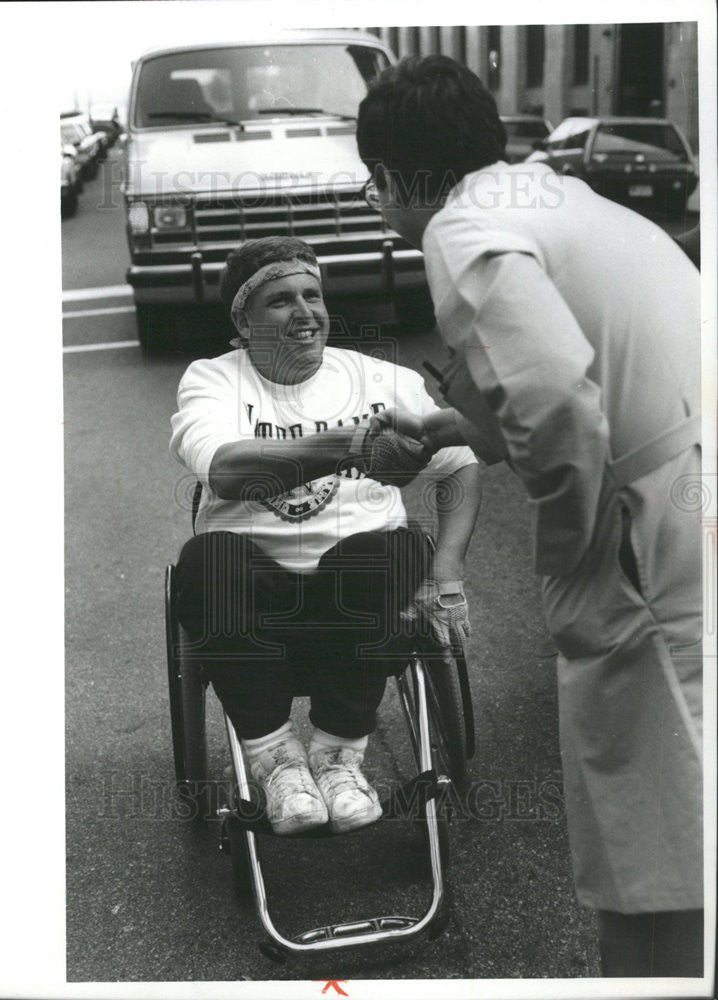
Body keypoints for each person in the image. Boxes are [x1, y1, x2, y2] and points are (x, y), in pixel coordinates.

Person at [356, 56, 703, 976]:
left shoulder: (460, 225)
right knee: (679, 822)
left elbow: (555, 401)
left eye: (373, 182)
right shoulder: (555, 197)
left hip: (659, 527)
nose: (374, 197)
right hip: (689, 485)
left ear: (394, 177)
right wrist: (448, 425)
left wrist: (575, 568)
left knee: (655, 843)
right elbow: (568, 378)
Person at [170, 235, 481, 837]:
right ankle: (277, 760)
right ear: (243, 318)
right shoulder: (211, 380)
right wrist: (350, 444)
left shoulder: (378, 378)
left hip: (363, 587)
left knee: (390, 547)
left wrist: (447, 575)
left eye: (313, 294)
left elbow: (461, 464)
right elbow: (229, 471)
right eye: (281, 300)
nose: (305, 311)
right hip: (254, 590)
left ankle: (339, 759)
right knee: (208, 556)